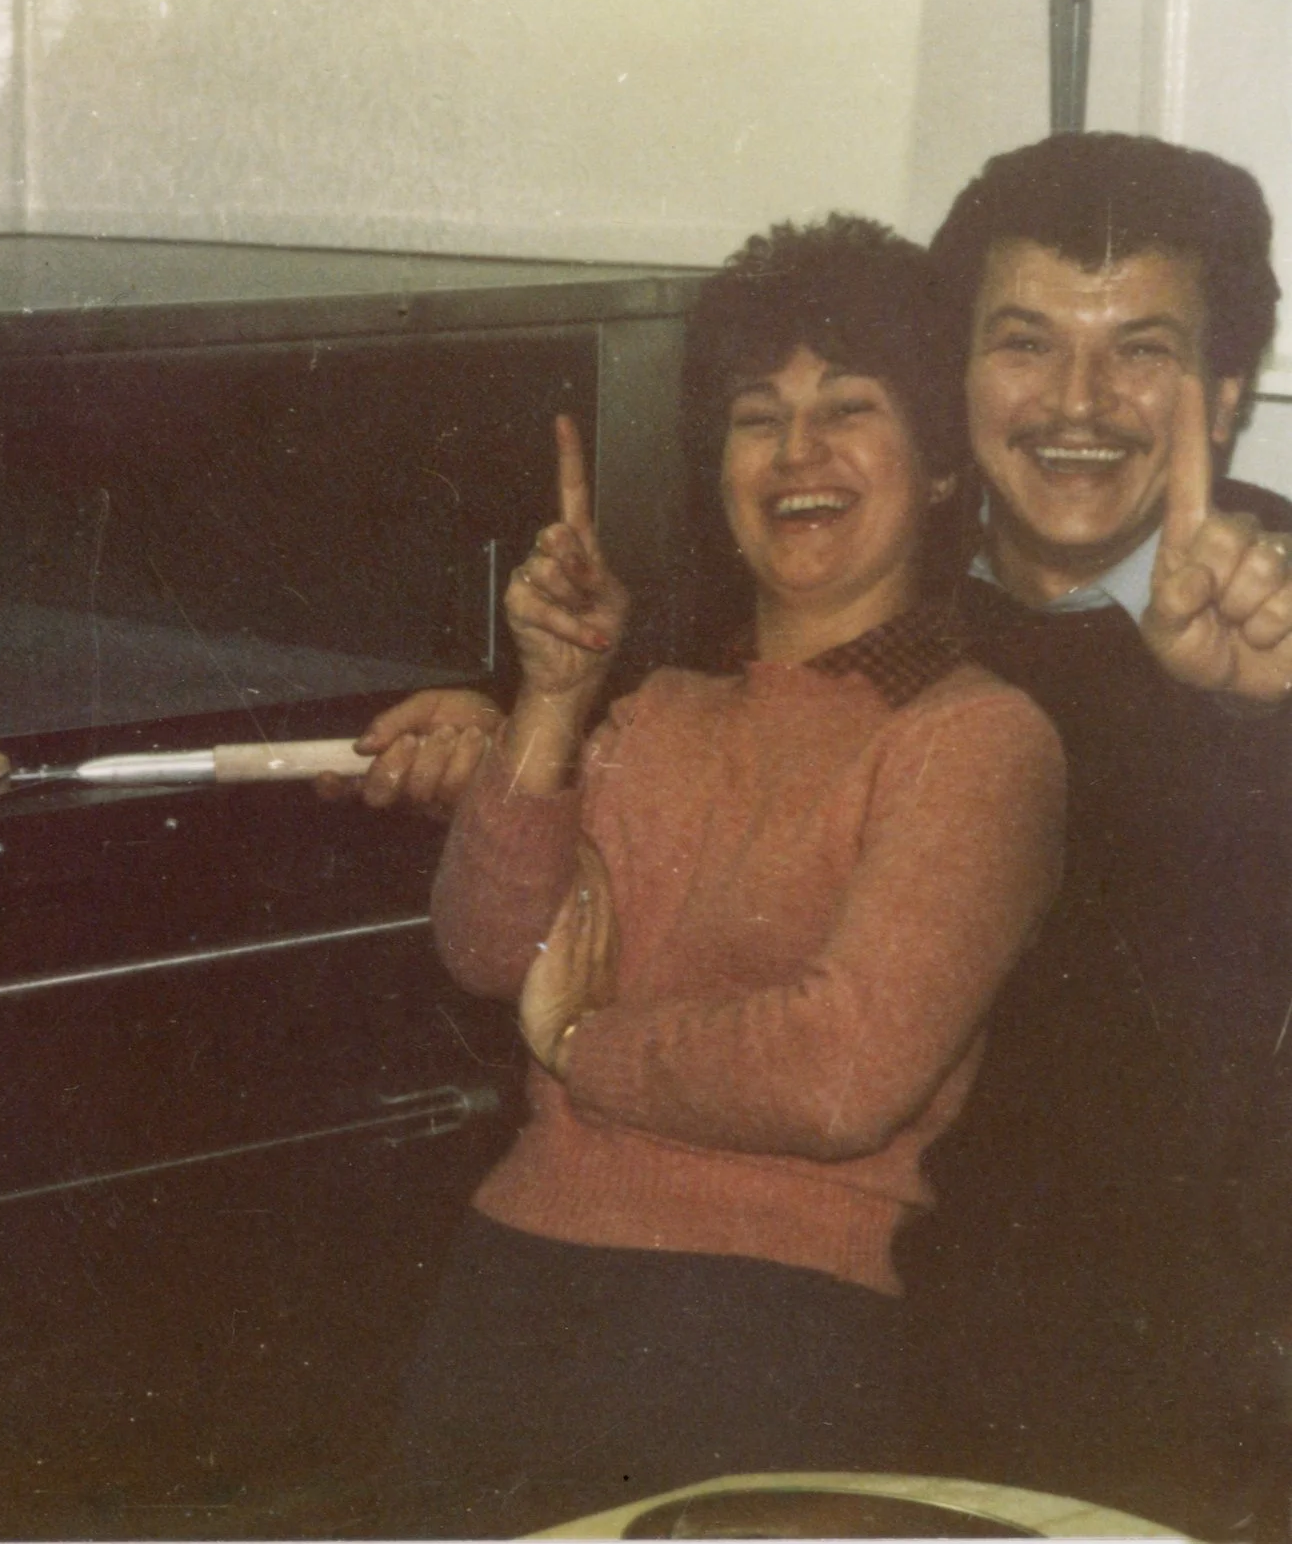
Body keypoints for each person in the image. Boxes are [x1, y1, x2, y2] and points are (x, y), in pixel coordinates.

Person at [383, 216, 1065, 1537]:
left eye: (850, 408)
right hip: (509, 1291)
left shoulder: (976, 738)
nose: (798, 455)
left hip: (764, 1326)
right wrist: (551, 704)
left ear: (935, 468)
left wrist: (582, 1045)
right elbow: (484, 946)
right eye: (760, 417)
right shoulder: (661, 710)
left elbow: (840, 1069)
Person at [893, 132, 1292, 1534]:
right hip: (887, 1346)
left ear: (1227, 394)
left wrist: (1259, 715)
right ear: (958, 377)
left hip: (1200, 1407)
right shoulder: (880, 610)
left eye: (1140, 351)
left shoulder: (1280, 617)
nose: (1076, 402)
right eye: (1026, 343)